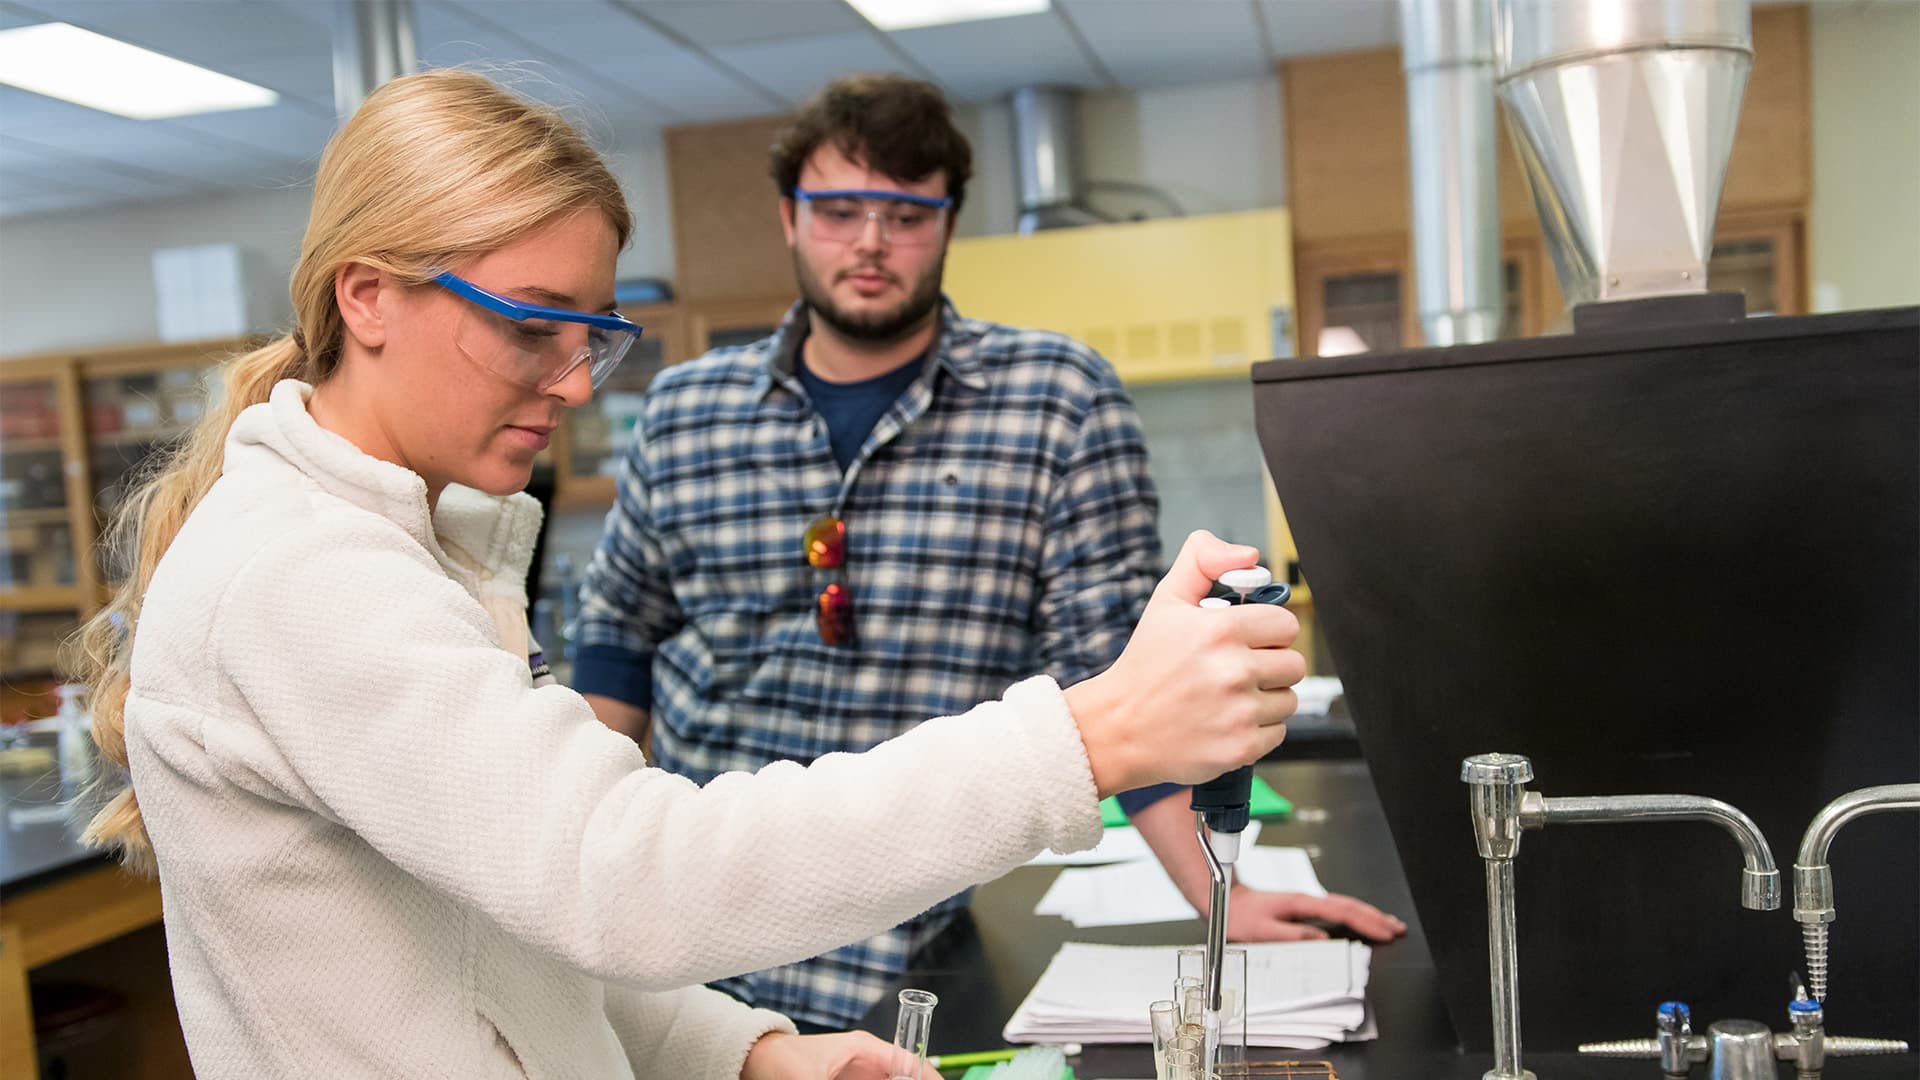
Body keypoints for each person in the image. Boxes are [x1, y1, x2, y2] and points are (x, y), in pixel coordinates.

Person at [70, 69, 1307, 1080]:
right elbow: (622, 874)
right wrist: (1089, 734)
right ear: (368, 296)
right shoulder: (304, 574)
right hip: (728, 904)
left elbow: (515, 937)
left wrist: (747, 1051)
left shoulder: (416, 548)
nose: (571, 382)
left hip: (831, 938)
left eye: (595, 335)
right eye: (528, 324)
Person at [570, 72, 1405, 1033]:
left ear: (949, 222)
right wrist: (588, 877)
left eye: (906, 212)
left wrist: (1222, 896)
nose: (872, 242)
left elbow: (1118, 675)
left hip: (898, 953)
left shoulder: (1056, 401)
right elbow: (615, 646)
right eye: (839, 210)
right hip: (689, 938)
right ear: (790, 220)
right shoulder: (682, 415)